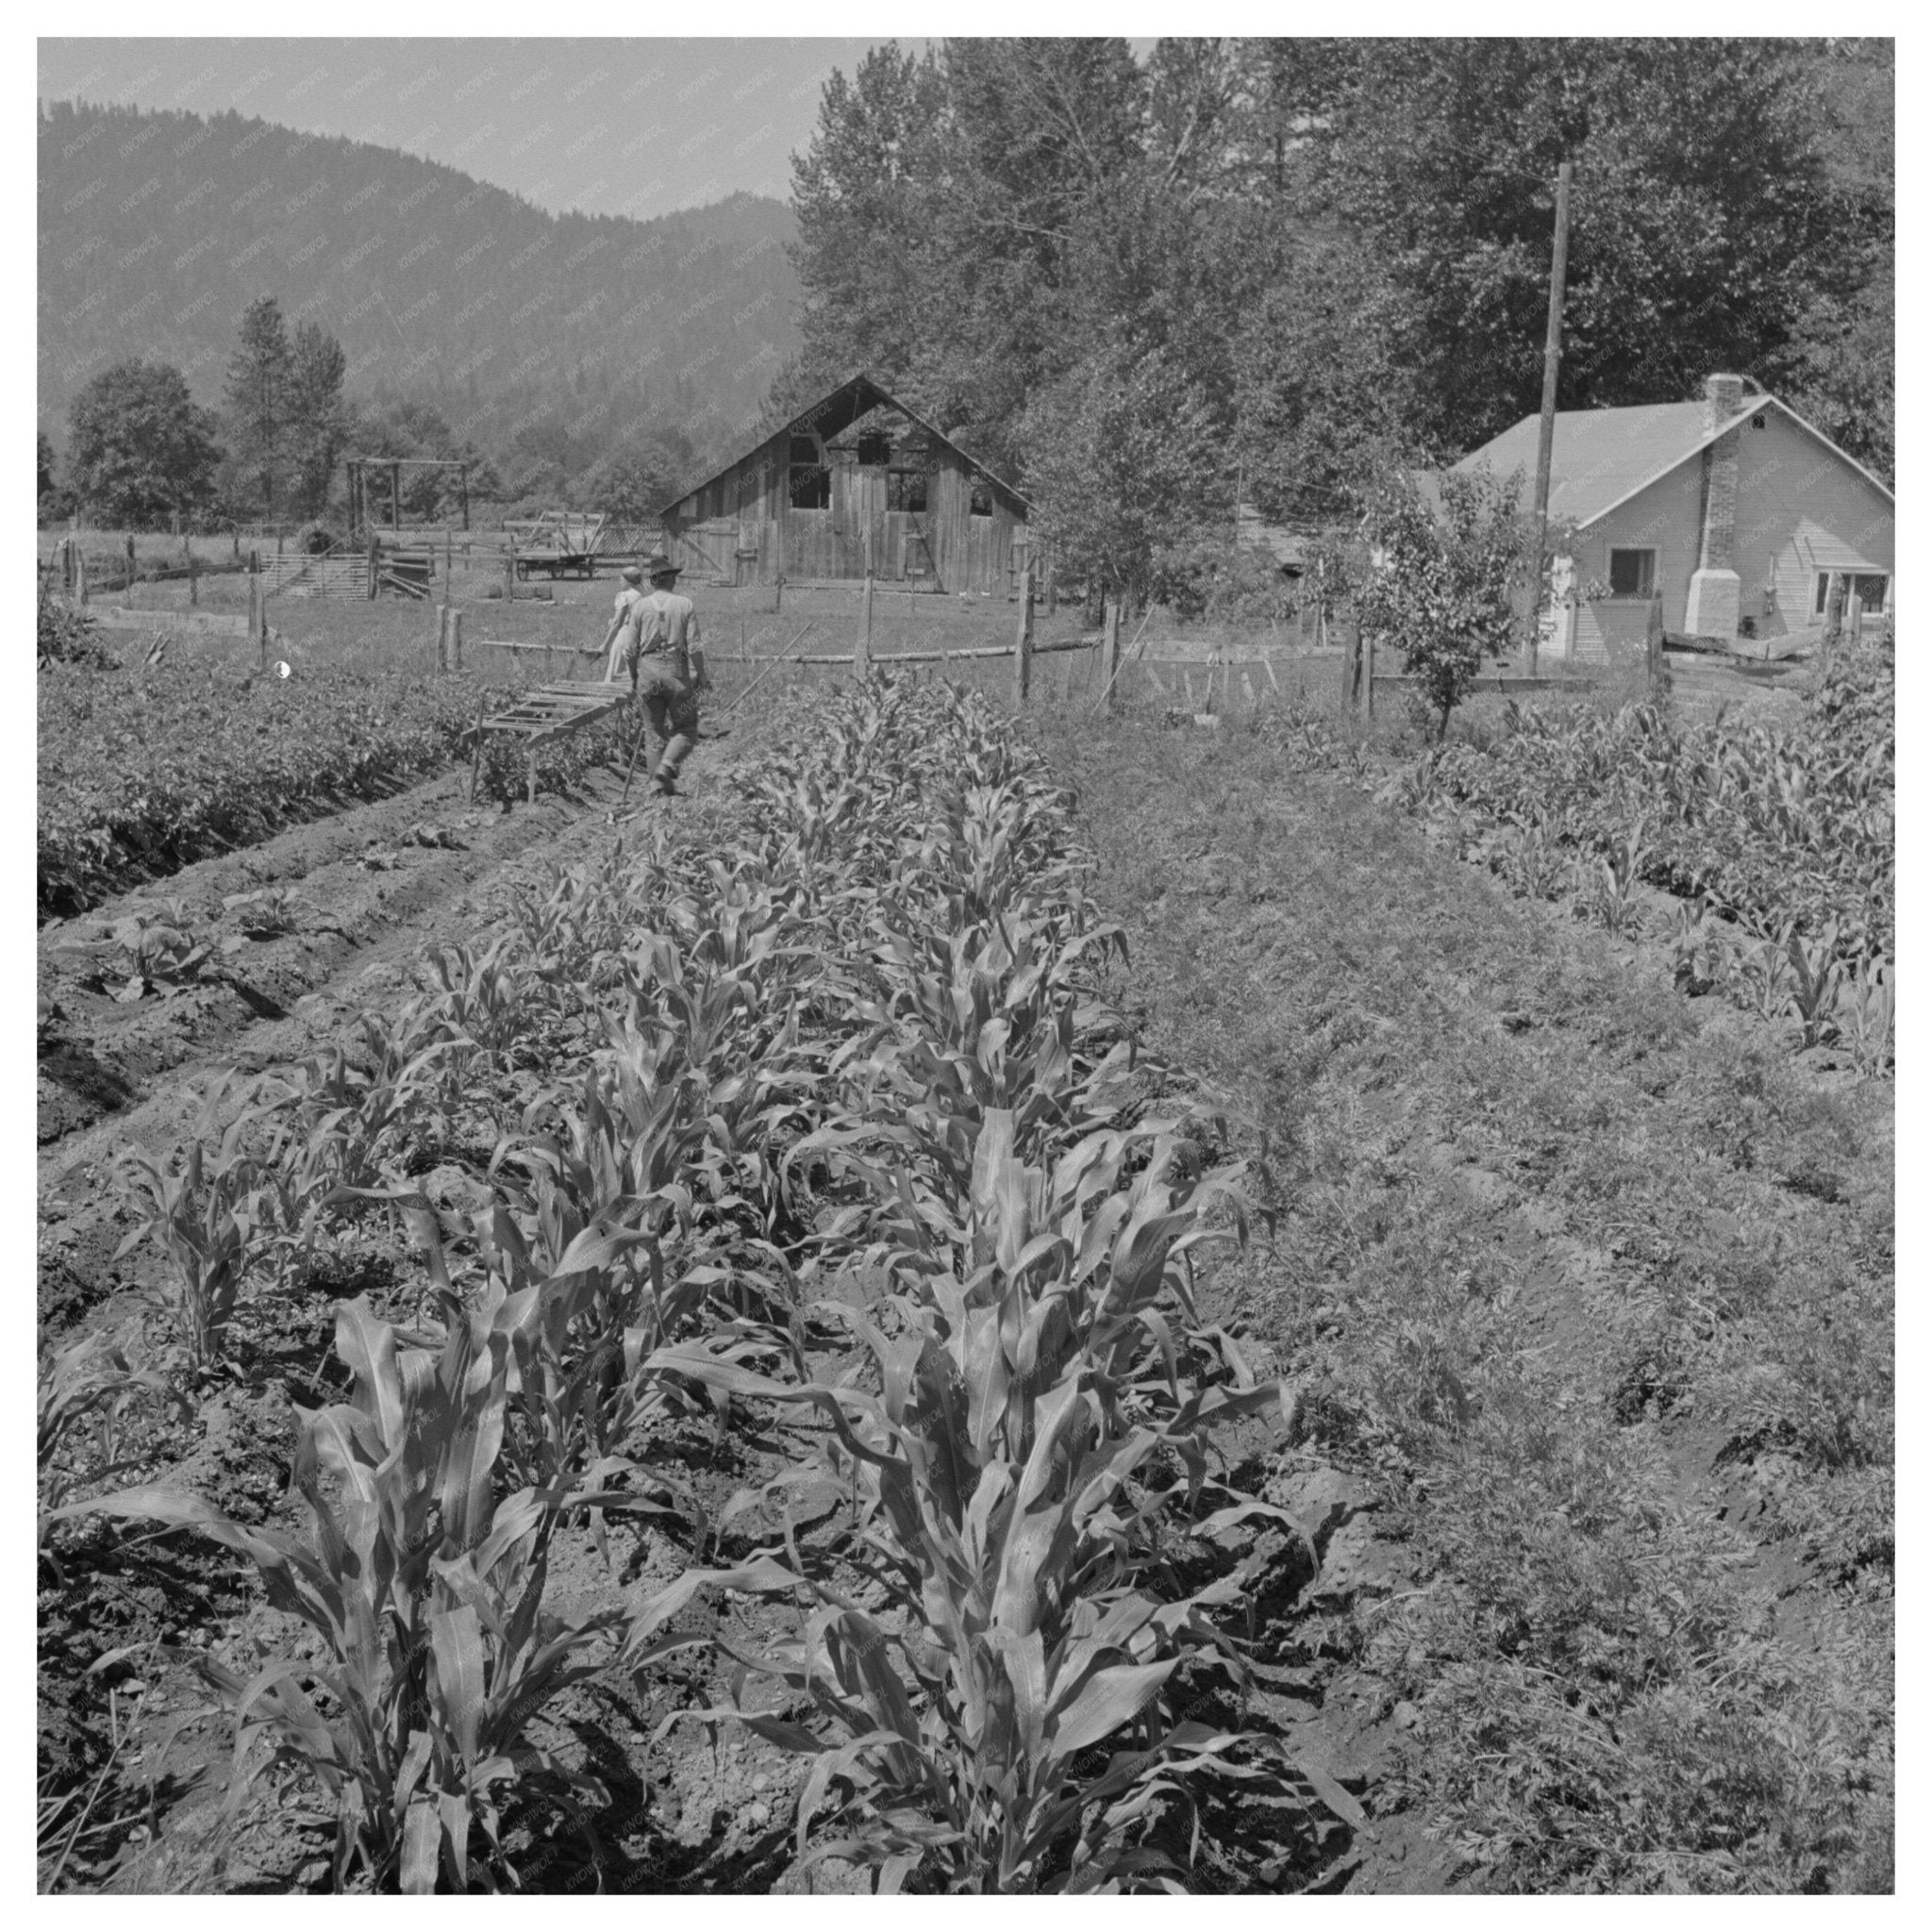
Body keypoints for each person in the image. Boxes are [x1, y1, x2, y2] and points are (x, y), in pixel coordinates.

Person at [625, 551, 710, 797]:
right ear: (670, 580)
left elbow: (630, 650)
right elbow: (693, 645)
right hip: (676, 671)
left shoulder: (640, 606)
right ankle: (667, 766)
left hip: (647, 670)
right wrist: (701, 674)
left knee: (654, 733)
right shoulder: (684, 604)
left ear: (652, 581)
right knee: (686, 729)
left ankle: (657, 789)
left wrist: (634, 677)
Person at [599, 563, 648, 683]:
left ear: (628, 580)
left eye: (622, 579)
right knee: (630, 672)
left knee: (616, 669)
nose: (620, 581)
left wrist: (605, 645)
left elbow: (617, 622)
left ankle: (611, 697)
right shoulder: (640, 596)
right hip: (636, 637)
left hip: (624, 636)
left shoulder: (624, 596)